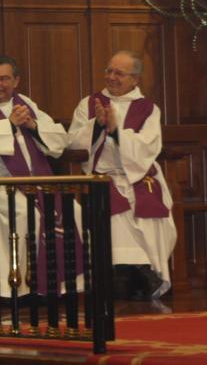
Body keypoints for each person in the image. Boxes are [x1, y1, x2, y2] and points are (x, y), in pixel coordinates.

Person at [0, 54, 82, 298]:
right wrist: (9, 125)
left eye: (4, 79)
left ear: (16, 81)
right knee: (25, 214)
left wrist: (33, 126)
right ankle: (21, 287)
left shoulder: (25, 103)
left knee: (74, 210)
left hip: (37, 181)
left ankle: (66, 285)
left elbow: (59, 138)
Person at [67, 50, 176, 300]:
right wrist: (97, 125)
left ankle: (144, 272)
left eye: (119, 73)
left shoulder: (148, 108)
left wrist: (116, 132)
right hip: (101, 176)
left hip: (141, 176)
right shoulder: (88, 104)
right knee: (118, 211)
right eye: (109, 71)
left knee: (153, 212)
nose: (111, 77)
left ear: (135, 79)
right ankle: (137, 273)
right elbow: (72, 143)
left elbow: (149, 146)